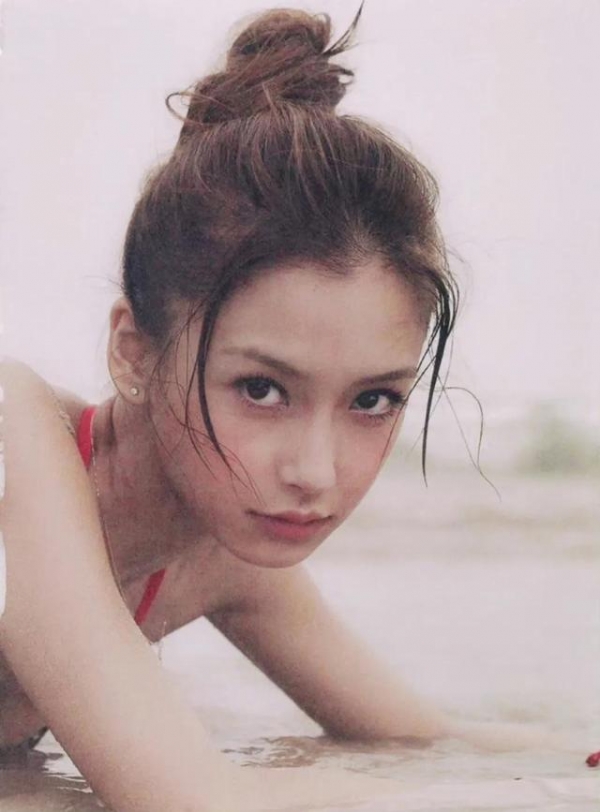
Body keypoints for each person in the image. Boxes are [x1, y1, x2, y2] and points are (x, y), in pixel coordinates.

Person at [0, 7, 551, 812]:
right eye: (261, 389)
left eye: (373, 399)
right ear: (134, 352)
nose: (314, 471)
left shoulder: (214, 554)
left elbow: (419, 739)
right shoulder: (12, 431)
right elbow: (188, 799)